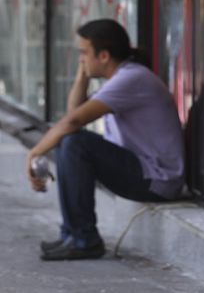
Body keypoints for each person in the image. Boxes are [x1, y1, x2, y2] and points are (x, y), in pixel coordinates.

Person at [26, 19, 185, 261]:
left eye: (83, 53)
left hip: (159, 179)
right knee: (71, 141)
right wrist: (83, 74)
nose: (80, 59)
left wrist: (33, 153)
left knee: (75, 142)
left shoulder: (132, 79)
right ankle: (73, 234)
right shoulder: (122, 77)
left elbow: (72, 122)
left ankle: (84, 239)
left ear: (103, 56)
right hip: (145, 172)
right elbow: (73, 114)